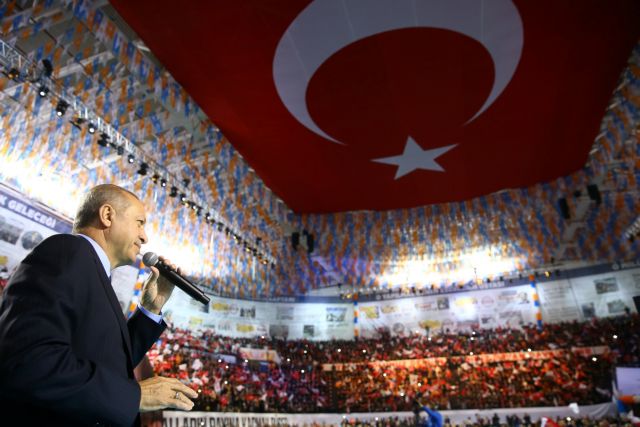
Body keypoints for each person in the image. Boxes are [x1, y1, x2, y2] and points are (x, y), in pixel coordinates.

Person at [0, 184, 198, 426]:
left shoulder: (92, 270)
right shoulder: (66, 251)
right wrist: (134, 396)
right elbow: (31, 361)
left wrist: (150, 309)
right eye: (139, 223)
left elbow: (107, 358)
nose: (144, 237)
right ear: (107, 215)